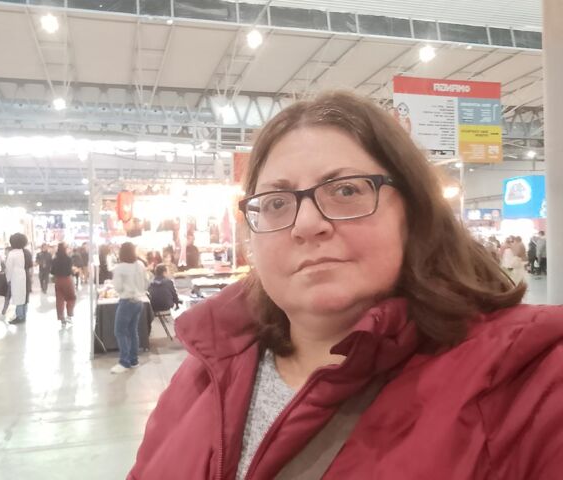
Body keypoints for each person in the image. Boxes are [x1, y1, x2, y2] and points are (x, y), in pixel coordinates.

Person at [128, 91, 563, 479]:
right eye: (277, 203)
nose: (307, 224)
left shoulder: (525, 379)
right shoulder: (205, 371)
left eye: (346, 191)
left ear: (413, 213)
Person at [110, 242, 149, 375]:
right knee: (133, 331)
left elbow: (118, 287)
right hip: (139, 301)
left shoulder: (120, 268)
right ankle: (133, 360)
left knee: (120, 331)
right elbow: (146, 282)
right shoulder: (140, 265)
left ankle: (124, 362)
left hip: (126, 301)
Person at [5, 233, 29, 325]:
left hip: (15, 277)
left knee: (18, 297)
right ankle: (23, 315)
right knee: (24, 296)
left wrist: (8, 279)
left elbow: (8, 268)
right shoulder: (25, 252)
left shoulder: (12, 253)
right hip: (25, 276)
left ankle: (20, 316)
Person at [51, 242, 76, 326]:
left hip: (58, 280)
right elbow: (70, 270)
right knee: (71, 297)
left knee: (59, 299)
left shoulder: (54, 259)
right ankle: (69, 315)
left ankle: (62, 318)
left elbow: (52, 271)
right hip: (67, 279)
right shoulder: (68, 259)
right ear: (65, 249)